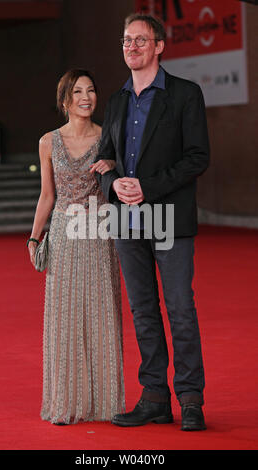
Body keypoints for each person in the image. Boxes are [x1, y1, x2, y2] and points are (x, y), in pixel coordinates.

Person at [95, 13, 210, 431]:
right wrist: (113, 184)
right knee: (143, 311)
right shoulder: (117, 101)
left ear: (159, 46)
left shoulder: (184, 94)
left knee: (179, 308)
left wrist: (147, 187)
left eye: (141, 40)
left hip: (169, 218)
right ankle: (155, 398)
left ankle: (191, 399)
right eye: (127, 40)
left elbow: (197, 156)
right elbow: (104, 157)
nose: (132, 47)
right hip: (127, 221)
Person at [27, 69, 125, 424]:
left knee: (102, 313)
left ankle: (105, 403)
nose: (87, 97)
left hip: (101, 232)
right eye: (78, 92)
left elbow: (120, 182)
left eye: (91, 91)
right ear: (65, 100)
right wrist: (35, 236)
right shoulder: (48, 141)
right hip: (66, 233)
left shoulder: (108, 137)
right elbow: (47, 195)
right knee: (65, 316)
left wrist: (113, 165)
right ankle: (65, 405)